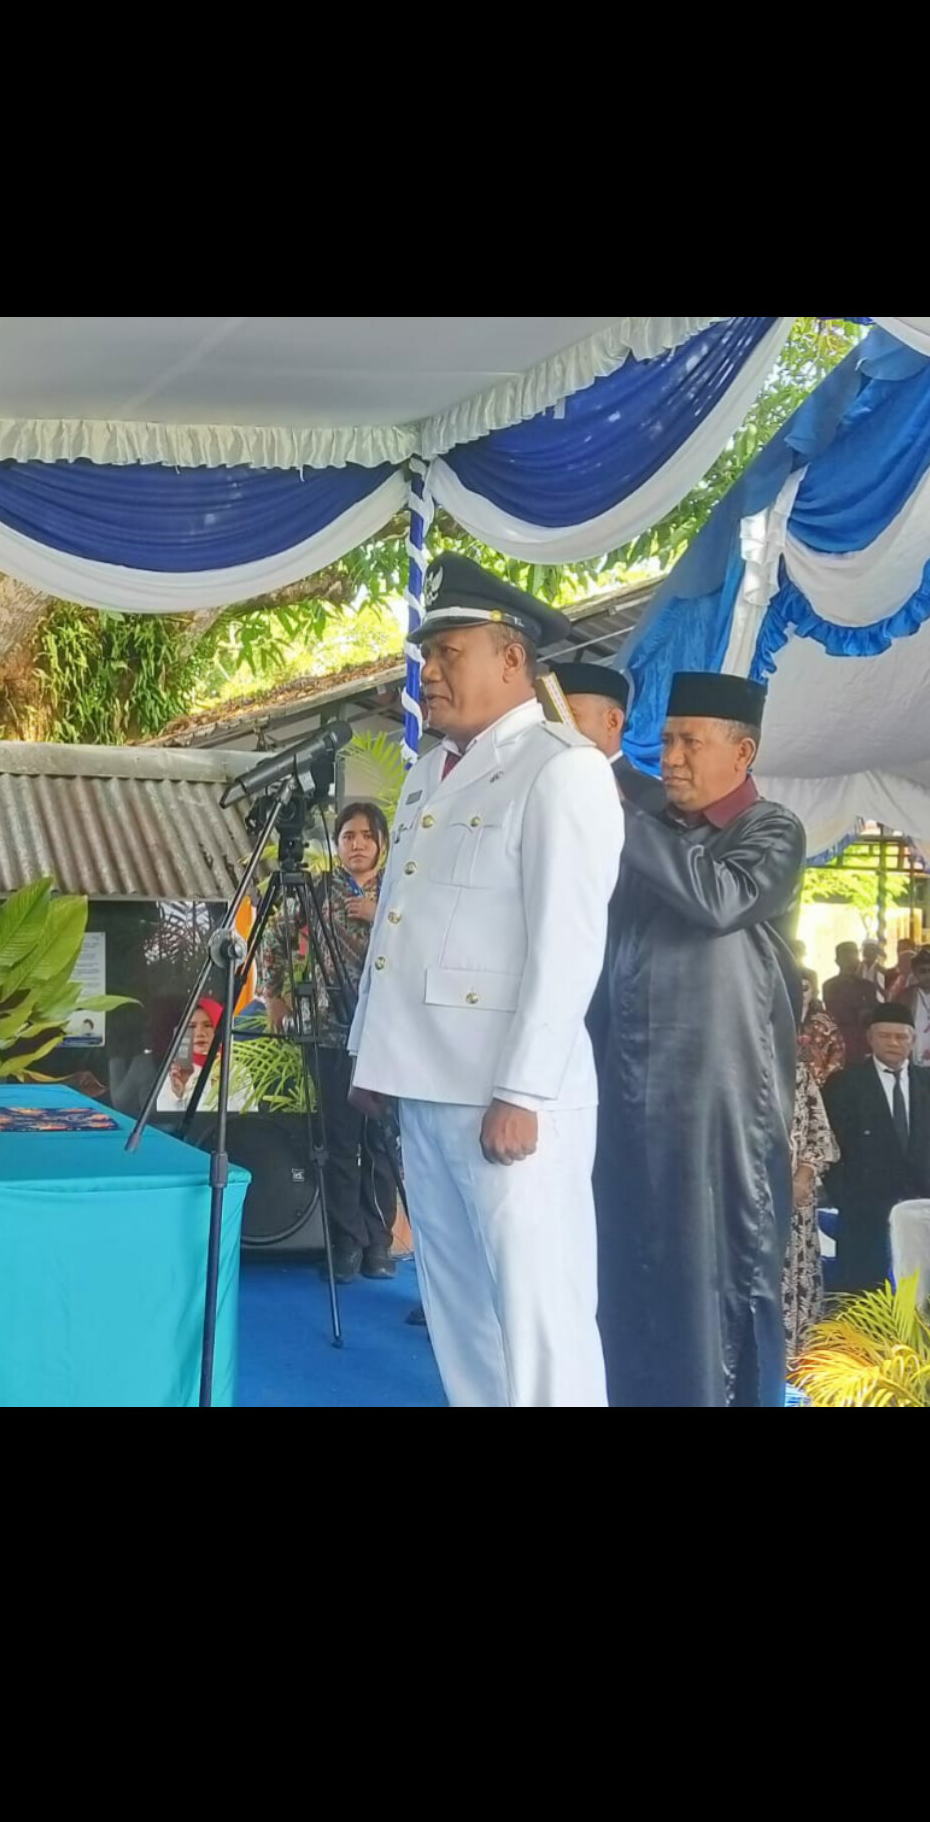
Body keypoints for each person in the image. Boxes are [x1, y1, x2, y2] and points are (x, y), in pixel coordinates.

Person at [349, 554, 620, 1407]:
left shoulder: (560, 768)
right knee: (459, 1310)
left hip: (508, 1094)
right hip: (426, 1081)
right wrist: (372, 1055)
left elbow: (568, 944)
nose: (428, 673)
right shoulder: (431, 772)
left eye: (447, 654)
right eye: (427, 656)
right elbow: (399, 927)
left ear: (511, 660)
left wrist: (522, 1091)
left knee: (540, 1317)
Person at [595, 669, 806, 1408]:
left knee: (719, 1273)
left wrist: (621, 818)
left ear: (742, 753)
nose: (672, 758)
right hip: (628, 1090)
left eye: (690, 742)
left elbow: (719, 899)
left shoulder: (771, 830)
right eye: (667, 742)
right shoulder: (654, 827)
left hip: (722, 1103)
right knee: (629, 1264)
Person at [258, 798, 402, 1284]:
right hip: (329, 1033)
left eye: (365, 836)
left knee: (381, 1143)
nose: (356, 844)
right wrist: (275, 997)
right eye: (347, 836)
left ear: (382, 842)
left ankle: (379, 1244)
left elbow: (427, 943)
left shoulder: (401, 891)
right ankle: (347, 1244)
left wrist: (381, 916)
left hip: (386, 1036)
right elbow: (274, 938)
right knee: (340, 1143)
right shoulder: (318, 889)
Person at [820, 1003, 930, 1294]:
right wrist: (845, 1198)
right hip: (864, 1208)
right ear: (870, 1038)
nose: (893, 1043)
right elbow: (830, 1145)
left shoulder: (927, 1082)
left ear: (913, 1040)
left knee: (920, 1292)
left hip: (919, 1201)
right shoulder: (845, 1083)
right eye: (884, 1036)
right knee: (866, 1293)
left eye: (901, 1037)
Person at [542, 659, 664, 811]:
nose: (559, 727)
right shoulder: (543, 780)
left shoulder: (650, 797)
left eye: (571, 716)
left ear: (613, 721)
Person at [784, 1059, 837, 1362]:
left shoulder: (798, 1071)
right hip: (743, 1200)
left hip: (797, 1200)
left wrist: (802, 1178)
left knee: (797, 1280)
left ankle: (796, 1361)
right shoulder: (729, 1064)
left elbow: (820, 1135)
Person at [823, 939, 880, 1065]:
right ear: (837, 961)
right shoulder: (830, 986)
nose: (851, 961)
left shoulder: (867, 985)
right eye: (846, 958)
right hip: (840, 1040)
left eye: (854, 957)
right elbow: (836, 1012)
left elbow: (874, 1012)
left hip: (862, 1042)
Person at [796, 969, 846, 1084]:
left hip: (820, 1084)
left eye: (805, 988)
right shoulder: (781, 1019)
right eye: (796, 988)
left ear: (813, 990)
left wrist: (824, 1077)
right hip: (786, 1085)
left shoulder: (825, 1021)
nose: (801, 993)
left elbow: (838, 1051)